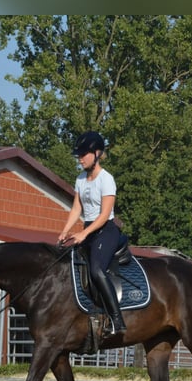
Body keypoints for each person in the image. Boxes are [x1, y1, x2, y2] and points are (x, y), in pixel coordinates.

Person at [58, 131, 126, 336]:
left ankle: (117, 319)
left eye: (84, 154)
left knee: (96, 270)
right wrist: (65, 231)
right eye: (78, 154)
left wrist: (83, 234)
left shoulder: (107, 179)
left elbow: (105, 215)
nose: (80, 158)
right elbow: (76, 209)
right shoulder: (80, 179)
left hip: (106, 230)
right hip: (89, 229)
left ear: (97, 153)